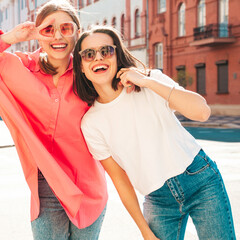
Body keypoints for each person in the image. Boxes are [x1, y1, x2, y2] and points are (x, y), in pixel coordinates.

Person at [0, 1, 108, 239]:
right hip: (46, 187)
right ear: (37, 33)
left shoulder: (90, 71)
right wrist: (9, 38)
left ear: (77, 31)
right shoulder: (15, 67)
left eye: (66, 28)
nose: (57, 36)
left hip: (90, 188)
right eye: (48, 29)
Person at [73, 26, 236, 240]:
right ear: (82, 67)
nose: (98, 58)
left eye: (106, 51)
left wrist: (148, 81)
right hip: (158, 200)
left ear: (117, 55)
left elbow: (202, 112)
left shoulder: (149, 82)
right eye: (89, 54)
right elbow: (120, 180)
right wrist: (144, 231)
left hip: (201, 180)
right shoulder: (91, 123)